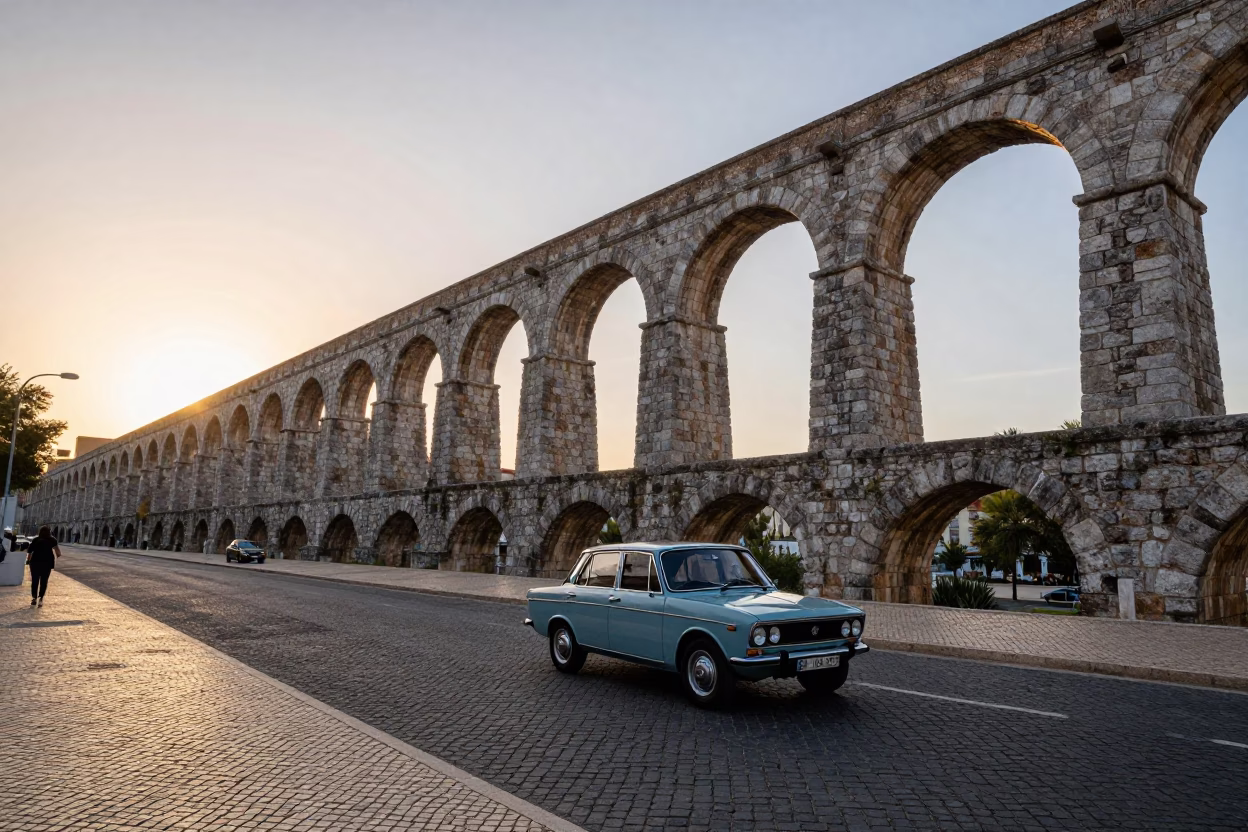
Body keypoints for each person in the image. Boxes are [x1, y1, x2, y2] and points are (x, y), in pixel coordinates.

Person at [26, 526, 61, 607]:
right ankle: (41, 599)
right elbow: (58, 553)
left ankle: (34, 598)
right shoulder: (52, 540)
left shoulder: (36, 540)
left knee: (35, 581)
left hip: (35, 563)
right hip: (47, 563)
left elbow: (30, 551)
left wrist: (28, 560)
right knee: (44, 581)